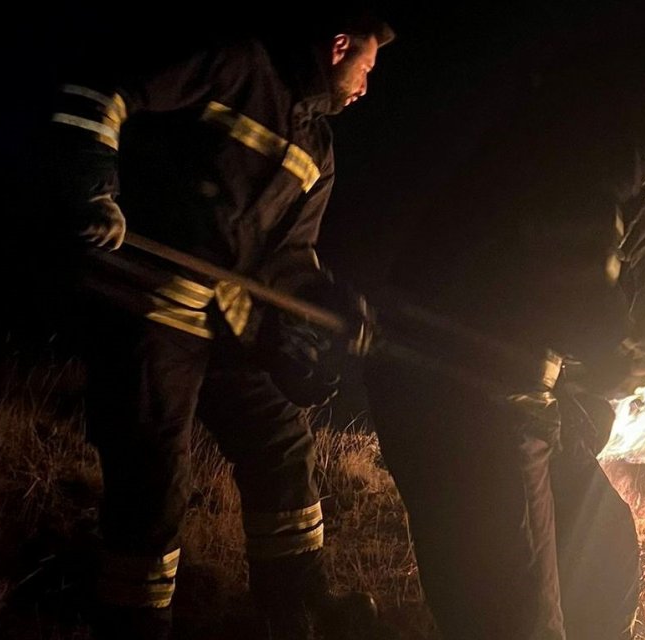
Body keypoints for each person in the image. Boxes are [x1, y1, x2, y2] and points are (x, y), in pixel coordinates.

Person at [364, 3, 645, 638]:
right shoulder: (632, 97)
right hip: (463, 381)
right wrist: (604, 339)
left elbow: (603, 271)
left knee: (601, 566)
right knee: (512, 614)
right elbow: (573, 224)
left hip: (517, 382)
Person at [45, 8, 394, 639]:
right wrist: (94, 189)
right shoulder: (238, 64)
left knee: (282, 443)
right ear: (340, 44)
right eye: (366, 66)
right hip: (147, 307)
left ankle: (294, 603)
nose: (367, 85)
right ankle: (135, 622)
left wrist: (334, 304)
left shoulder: (319, 149)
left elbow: (287, 263)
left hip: (224, 326)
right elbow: (105, 90)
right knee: (155, 475)